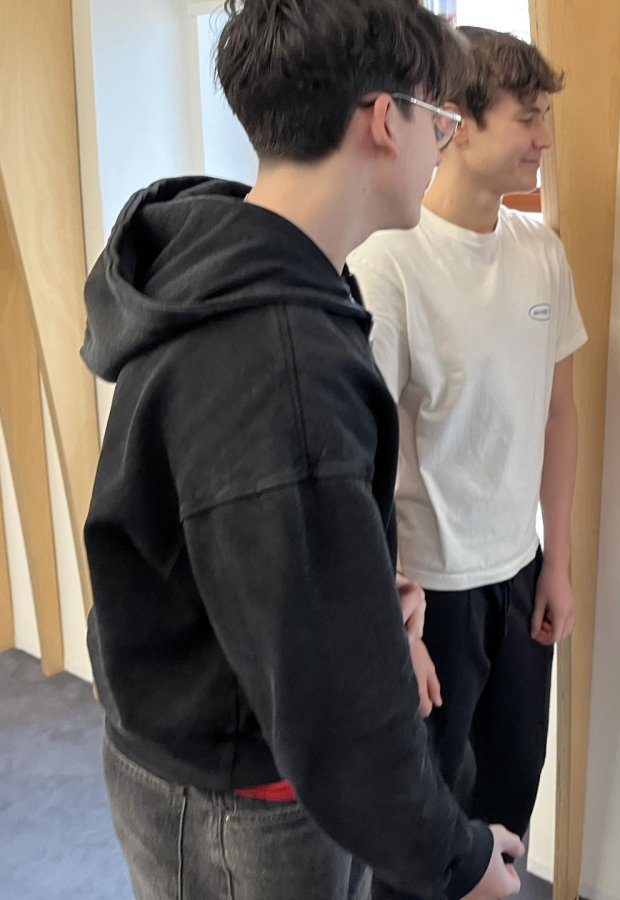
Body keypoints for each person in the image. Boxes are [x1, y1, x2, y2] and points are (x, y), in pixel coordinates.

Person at [80, 2, 523, 897]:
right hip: (245, 797)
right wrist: (461, 859)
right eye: (438, 120)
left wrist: (351, 585)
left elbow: (229, 534)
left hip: (185, 738)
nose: (442, 145)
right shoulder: (280, 350)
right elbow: (336, 710)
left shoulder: (222, 263)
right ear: (383, 120)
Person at [348, 27, 584, 843]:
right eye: (528, 116)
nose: (545, 137)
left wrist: (557, 562)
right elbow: (358, 457)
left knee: (510, 801)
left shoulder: (541, 251)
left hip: (520, 577)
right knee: (423, 828)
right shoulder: (387, 262)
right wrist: (392, 619)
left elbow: (559, 411)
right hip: (428, 591)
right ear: (454, 120)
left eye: (547, 115)